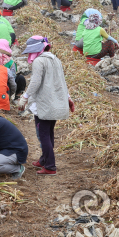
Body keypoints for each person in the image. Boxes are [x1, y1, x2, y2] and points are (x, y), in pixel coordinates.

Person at [18, 36, 74, 175]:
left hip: (45, 103)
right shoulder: (55, 59)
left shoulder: (39, 61)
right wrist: (68, 97)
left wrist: (24, 97)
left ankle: (50, 166)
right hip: (55, 102)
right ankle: (44, 159)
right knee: (48, 133)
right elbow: (61, 81)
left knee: (43, 134)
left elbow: (35, 83)